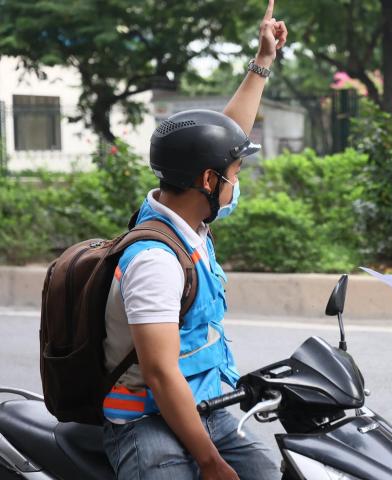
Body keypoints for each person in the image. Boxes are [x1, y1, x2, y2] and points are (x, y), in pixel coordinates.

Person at [101, 2, 287, 479]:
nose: (236, 181)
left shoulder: (186, 217)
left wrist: (262, 62)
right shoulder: (155, 260)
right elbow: (161, 376)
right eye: (233, 172)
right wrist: (210, 462)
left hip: (204, 405)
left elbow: (224, 137)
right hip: (146, 421)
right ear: (208, 180)